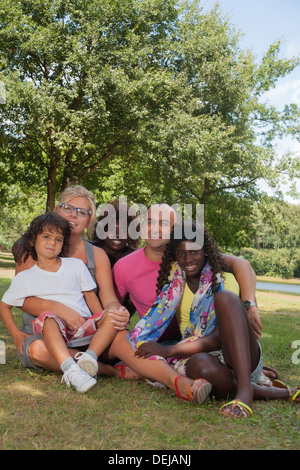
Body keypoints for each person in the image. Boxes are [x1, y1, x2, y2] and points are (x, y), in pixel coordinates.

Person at [129, 221, 300, 417]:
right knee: (198, 365)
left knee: (226, 298)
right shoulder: (174, 283)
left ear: (205, 251)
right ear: (175, 256)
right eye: (181, 253)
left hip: (240, 355)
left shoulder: (225, 279)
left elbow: (218, 338)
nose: (188, 259)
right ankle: (276, 392)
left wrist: (167, 350)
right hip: (206, 358)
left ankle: (245, 393)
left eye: (194, 252)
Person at [0, 213, 131, 392]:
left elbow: (90, 296)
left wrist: (100, 318)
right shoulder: (25, 278)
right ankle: (70, 368)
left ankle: (90, 358)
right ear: (33, 240)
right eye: (46, 236)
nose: (52, 243)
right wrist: (15, 333)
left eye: (58, 239)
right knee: (48, 318)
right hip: (55, 333)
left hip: (84, 326)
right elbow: (4, 305)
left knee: (112, 314)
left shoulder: (75, 265)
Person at [113, 203, 263, 340]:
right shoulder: (124, 266)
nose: (154, 229)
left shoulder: (189, 256)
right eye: (150, 222)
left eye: (163, 223)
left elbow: (243, 265)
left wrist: (249, 304)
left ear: (175, 230)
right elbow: (115, 307)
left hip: (200, 338)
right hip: (157, 340)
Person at [92, 197, 140, 267]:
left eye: (123, 231)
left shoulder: (135, 257)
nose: (117, 234)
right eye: (112, 230)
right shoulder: (89, 251)